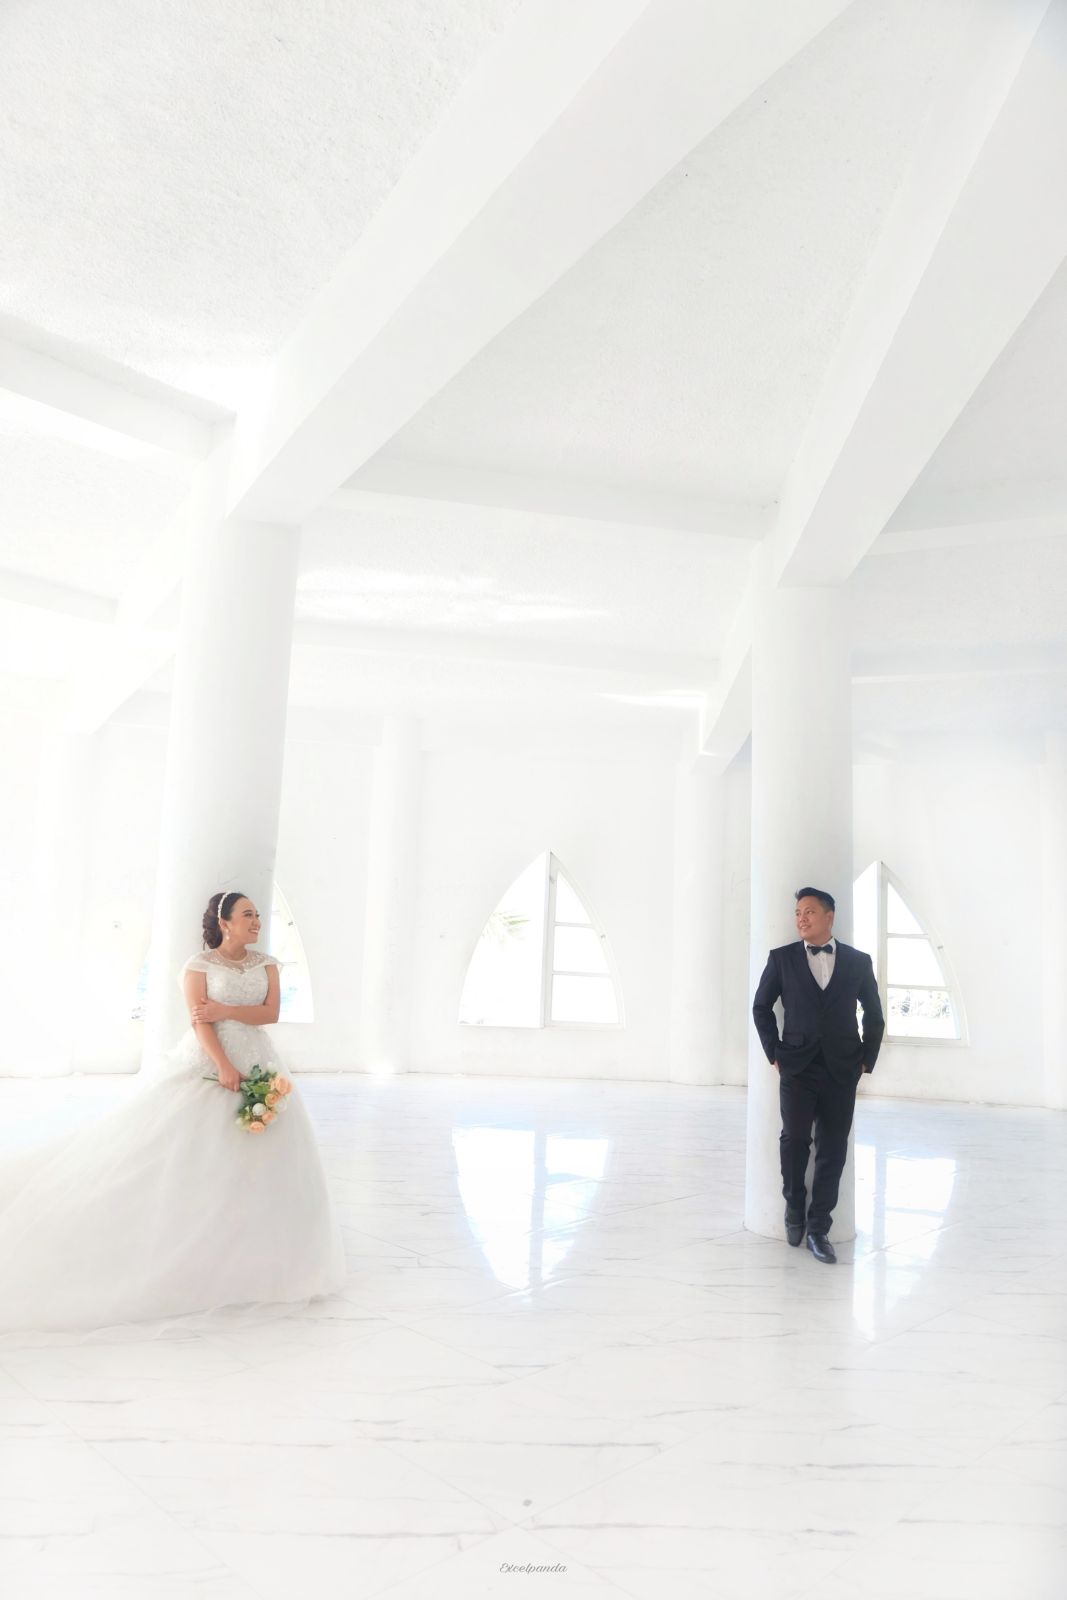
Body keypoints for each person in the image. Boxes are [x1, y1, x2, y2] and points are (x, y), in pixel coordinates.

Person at [0, 890, 344, 1332]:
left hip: (261, 1062)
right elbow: (200, 1021)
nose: (256, 921)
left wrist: (225, 1009)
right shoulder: (199, 966)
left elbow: (270, 1013)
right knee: (194, 1153)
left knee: (266, 1157)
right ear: (224, 923)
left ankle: (261, 1256)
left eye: (258, 914)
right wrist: (223, 1065)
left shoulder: (267, 964)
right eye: (247, 915)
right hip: (212, 1062)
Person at [751, 886, 884, 1264]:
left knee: (833, 1146)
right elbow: (761, 1007)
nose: (801, 919)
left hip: (842, 1068)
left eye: (809, 911)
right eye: (797, 913)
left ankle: (819, 1228)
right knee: (794, 1140)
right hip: (796, 1066)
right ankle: (794, 1210)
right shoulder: (781, 959)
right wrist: (774, 1052)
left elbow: (874, 1014)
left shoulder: (858, 962)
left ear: (829, 916)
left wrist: (866, 1059)